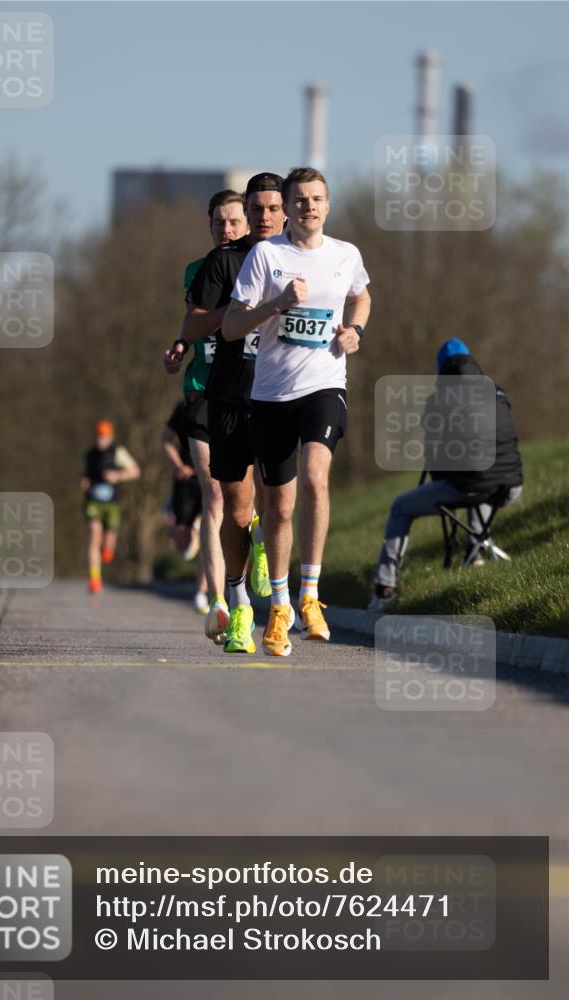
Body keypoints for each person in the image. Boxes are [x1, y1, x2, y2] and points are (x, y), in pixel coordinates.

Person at [223, 166, 371, 656]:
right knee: (280, 507)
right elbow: (229, 326)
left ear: (328, 205)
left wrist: (356, 331)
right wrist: (276, 304)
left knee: (315, 477)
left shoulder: (345, 255)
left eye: (317, 198)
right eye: (300, 199)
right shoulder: (267, 256)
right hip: (270, 396)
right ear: (286, 208)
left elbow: (362, 295)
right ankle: (280, 608)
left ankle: (310, 594)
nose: (309, 206)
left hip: (324, 385)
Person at [178, 173, 287, 654]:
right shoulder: (224, 261)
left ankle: (274, 573)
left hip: (283, 395)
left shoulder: (303, 257)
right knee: (234, 508)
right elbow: (193, 322)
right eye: (255, 209)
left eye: (271, 208)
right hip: (229, 397)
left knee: (278, 501)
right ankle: (240, 606)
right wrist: (241, 312)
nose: (263, 217)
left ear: (285, 210)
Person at [368, 338, 524, 610]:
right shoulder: (498, 392)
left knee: (401, 507)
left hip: (470, 487)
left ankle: (384, 588)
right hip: (511, 486)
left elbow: (435, 459)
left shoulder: (439, 400)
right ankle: (476, 552)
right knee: (483, 481)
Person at [164, 190, 248, 643]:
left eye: (234, 221)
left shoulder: (259, 263)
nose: (226, 229)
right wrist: (180, 347)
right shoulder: (196, 271)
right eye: (219, 222)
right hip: (201, 392)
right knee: (214, 495)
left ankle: (247, 583)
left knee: (244, 500)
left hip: (249, 392)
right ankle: (219, 601)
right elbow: (191, 323)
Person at [80, 420, 141, 594]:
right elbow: (84, 474)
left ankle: (107, 549)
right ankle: (94, 579)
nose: (101, 440)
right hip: (92, 501)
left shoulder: (118, 452)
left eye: (104, 437)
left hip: (112, 502)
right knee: (94, 536)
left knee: (107, 542)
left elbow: (135, 471)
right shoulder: (90, 454)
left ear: (110, 437)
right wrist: (84, 481)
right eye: (99, 436)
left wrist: (117, 475)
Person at [161, 400, 209, 614]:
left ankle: (201, 592)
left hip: (210, 476)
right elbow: (166, 439)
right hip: (186, 479)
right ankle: (191, 528)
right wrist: (178, 466)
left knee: (211, 536)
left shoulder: (220, 400)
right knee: (183, 544)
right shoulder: (181, 408)